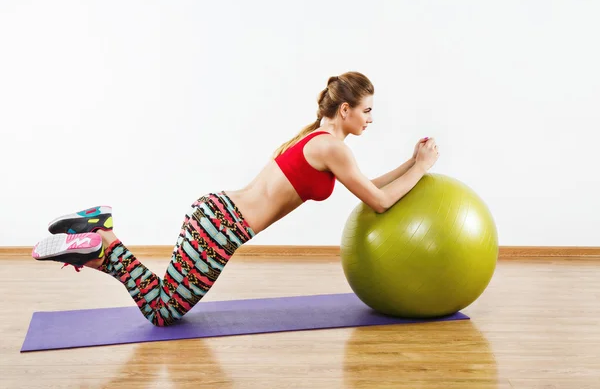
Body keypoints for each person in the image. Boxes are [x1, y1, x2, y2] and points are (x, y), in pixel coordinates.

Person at [31, 71, 439, 326]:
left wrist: (409, 162)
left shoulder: (319, 139)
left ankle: (100, 237)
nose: (371, 119)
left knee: (163, 300)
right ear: (346, 109)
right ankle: (104, 242)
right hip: (221, 229)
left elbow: (367, 185)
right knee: (163, 312)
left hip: (215, 215)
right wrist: (421, 168)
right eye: (367, 111)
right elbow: (379, 202)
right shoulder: (333, 147)